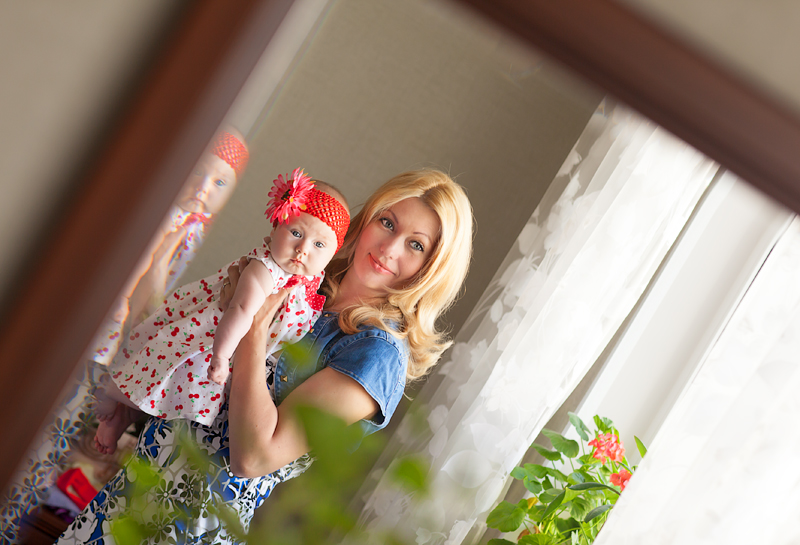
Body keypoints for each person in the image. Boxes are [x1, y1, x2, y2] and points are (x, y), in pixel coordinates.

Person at [55, 169, 473, 545]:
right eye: (387, 222)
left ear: (431, 269)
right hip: (128, 493)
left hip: (187, 529)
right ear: (363, 221)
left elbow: (253, 457)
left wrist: (252, 330)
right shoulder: (302, 286)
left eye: (415, 245)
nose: (390, 248)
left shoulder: (376, 355)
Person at [92, 170, 350, 454]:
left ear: (332, 253)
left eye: (319, 245)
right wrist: (221, 356)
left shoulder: (309, 279)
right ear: (277, 225)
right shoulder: (266, 270)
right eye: (296, 233)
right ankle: (112, 393)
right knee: (163, 375)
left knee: (169, 394)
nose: (302, 249)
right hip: (211, 338)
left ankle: (119, 419)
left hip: (236, 351)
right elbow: (241, 309)